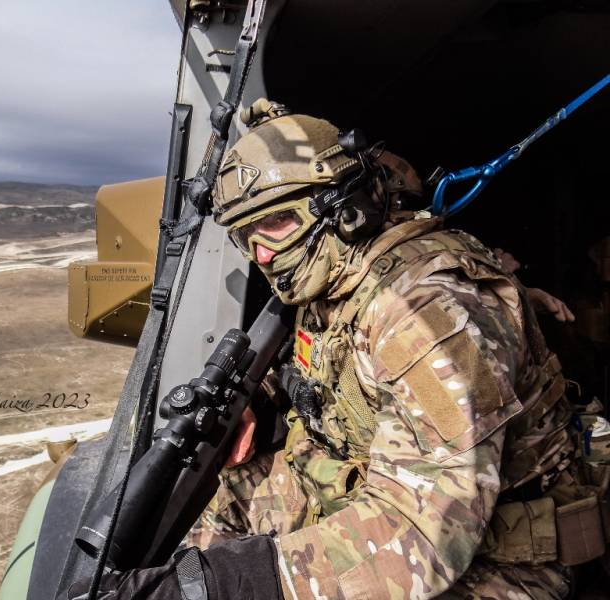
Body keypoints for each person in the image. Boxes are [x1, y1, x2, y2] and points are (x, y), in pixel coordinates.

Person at [71, 102, 606, 600]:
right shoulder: (331, 277)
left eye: (275, 224)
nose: (261, 253)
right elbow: (329, 367)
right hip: (367, 483)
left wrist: (218, 585)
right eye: (245, 235)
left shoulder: (427, 312)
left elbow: (424, 535)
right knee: (205, 515)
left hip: (496, 549)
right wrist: (258, 403)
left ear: (341, 207)